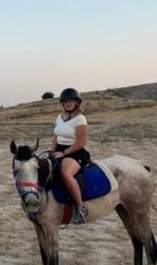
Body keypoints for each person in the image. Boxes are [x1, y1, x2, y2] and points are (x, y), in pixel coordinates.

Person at [50, 88, 91, 224]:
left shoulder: (80, 119)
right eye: (65, 101)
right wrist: (51, 151)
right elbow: (56, 137)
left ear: (77, 102)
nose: (68, 103)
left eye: (71, 101)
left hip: (75, 151)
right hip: (59, 150)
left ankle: (81, 208)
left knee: (66, 173)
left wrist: (63, 153)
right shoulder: (59, 117)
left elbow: (82, 142)